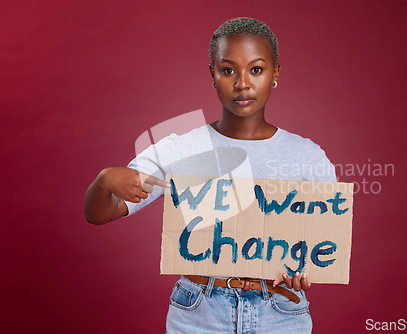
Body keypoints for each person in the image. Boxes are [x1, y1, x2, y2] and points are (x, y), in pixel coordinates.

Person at [84, 17, 336, 333]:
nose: (243, 83)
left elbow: (325, 245)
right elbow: (100, 214)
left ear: (275, 74)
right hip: (199, 312)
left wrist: (305, 271)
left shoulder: (308, 156)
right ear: (213, 74)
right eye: (229, 70)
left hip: (281, 311)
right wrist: (104, 179)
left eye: (256, 69)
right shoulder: (179, 149)